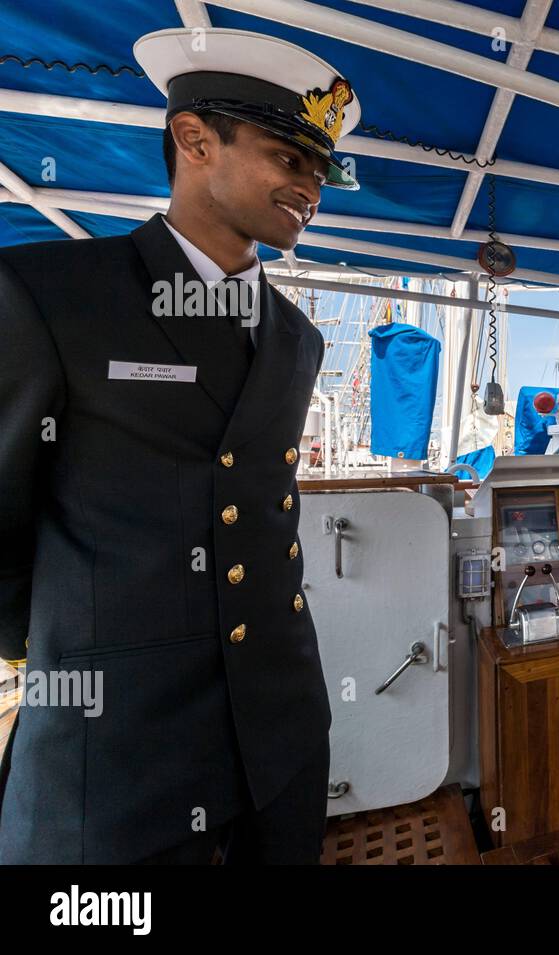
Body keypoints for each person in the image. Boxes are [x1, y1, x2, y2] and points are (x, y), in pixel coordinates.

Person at [0, 28, 361, 863]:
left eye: (319, 171)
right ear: (195, 139)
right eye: (289, 157)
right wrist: (78, 647)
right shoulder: (51, 297)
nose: (309, 188)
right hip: (116, 760)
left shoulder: (299, 340)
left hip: (281, 745)